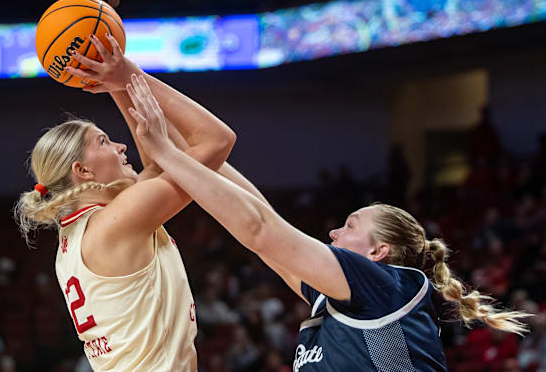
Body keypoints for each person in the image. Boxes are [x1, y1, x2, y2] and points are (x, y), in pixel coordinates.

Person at [123, 75, 532, 371]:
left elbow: (260, 228)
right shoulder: (342, 296)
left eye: (350, 225)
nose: (334, 232)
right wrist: (123, 86)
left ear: (378, 252)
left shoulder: (386, 285)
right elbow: (259, 218)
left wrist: (165, 145)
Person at [14, 32, 239, 371]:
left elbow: (161, 163)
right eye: (104, 141)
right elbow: (216, 140)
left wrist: (116, 84)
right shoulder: (119, 220)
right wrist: (131, 75)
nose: (121, 146)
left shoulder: (89, 227)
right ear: (83, 170)